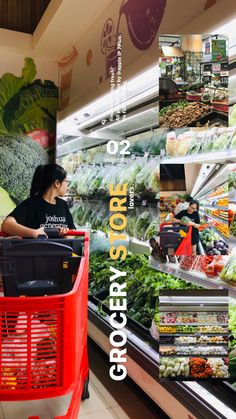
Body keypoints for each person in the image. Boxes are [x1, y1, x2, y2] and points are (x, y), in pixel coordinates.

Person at [1, 164, 75, 238]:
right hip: (35, 249)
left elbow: (72, 231)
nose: (67, 185)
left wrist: (66, 234)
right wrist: (33, 233)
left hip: (62, 249)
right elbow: (6, 225)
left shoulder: (63, 205)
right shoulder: (31, 204)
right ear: (57, 183)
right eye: (66, 181)